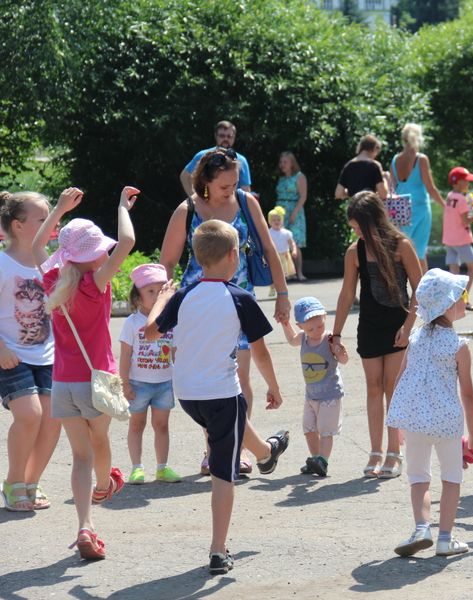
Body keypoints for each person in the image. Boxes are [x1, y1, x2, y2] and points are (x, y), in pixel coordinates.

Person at [145, 219, 287, 574]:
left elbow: (149, 333)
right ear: (234, 256)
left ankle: (266, 453)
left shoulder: (183, 295)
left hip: (187, 395)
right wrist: (274, 386)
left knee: (230, 426)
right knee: (224, 472)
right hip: (221, 393)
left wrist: (161, 300)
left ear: (198, 257)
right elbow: (260, 351)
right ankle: (217, 550)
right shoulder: (240, 298)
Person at [159, 148, 291, 475]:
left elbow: (269, 250)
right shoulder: (187, 210)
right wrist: (161, 302)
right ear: (205, 181)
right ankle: (213, 450)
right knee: (207, 377)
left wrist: (282, 294)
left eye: (234, 184)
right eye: (224, 186)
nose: (231, 190)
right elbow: (167, 263)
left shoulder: (246, 202)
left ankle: (240, 450)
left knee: (239, 376)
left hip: (238, 297)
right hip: (197, 303)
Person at [32, 186, 138, 559]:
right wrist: (121, 205)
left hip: (62, 383)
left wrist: (59, 208)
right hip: (98, 381)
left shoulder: (53, 280)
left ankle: (84, 526)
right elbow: (128, 241)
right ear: (94, 255)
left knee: (80, 456)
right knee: (100, 442)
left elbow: (36, 247)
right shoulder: (97, 283)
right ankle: (105, 485)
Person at [387, 269, 473, 557]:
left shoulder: (415, 338)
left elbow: (400, 379)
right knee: (451, 478)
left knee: (419, 477)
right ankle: (445, 538)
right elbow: (468, 393)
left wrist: (397, 422)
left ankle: (421, 528)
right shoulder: (458, 345)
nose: (465, 299)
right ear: (449, 305)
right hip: (447, 423)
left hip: (415, 421)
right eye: (462, 295)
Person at [331, 192, 422, 479]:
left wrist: (408, 327)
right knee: (373, 387)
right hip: (369, 326)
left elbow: (420, 289)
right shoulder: (354, 252)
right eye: (354, 228)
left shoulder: (401, 245)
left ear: (373, 221)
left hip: (397, 325)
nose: (357, 232)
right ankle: (375, 451)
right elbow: (347, 294)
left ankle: (394, 452)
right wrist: (336, 334)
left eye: (359, 226)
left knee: (392, 388)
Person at [0, 191, 60, 512]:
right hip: (11, 355)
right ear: (18, 225)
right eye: (43, 219)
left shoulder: (49, 263)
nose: (52, 224)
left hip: (49, 356)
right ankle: (13, 482)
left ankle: (31, 481)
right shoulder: (2, 264)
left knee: (52, 420)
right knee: (30, 415)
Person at [120, 263, 181, 485]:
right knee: (137, 425)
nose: (157, 296)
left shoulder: (171, 321)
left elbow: (176, 352)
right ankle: (136, 468)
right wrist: (125, 384)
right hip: (138, 384)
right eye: (150, 291)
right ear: (137, 298)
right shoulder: (132, 323)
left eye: (160, 291)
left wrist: (180, 379)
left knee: (162, 425)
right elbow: (125, 355)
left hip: (164, 383)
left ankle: (162, 468)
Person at [281, 297, 348, 478]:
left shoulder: (329, 338)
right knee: (309, 428)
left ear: (325, 317)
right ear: (300, 326)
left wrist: (340, 351)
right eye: (310, 329)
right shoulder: (303, 338)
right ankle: (315, 459)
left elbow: (344, 360)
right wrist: (285, 324)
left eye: (320, 326)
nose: (316, 331)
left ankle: (323, 461)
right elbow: (292, 340)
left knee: (326, 430)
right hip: (311, 395)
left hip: (330, 394)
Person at [391, 123, 445, 273]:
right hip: (420, 209)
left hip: (401, 210)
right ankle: (423, 285)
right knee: (420, 251)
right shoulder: (421, 159)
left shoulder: (395, 160)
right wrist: (445, 206)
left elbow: (392, 188)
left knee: (401, 248)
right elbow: (431, 188)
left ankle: (399, 282)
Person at [443, 166, 473, 311]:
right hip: (461, 239)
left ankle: (453, 301)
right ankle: (464, 300)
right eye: (466, 181)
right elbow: (465, 221)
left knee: (454, 270)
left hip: (449, 239)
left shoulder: (450, 196)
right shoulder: (461, 199)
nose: (468, 183)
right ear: (458, 182)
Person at [181, 121, 252, 196]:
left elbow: (245, 189)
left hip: (230, 201)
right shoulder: (204, 155)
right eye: (222, 136)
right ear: (216, 136)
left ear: (234, 137)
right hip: (206, 200)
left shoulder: (241, 160)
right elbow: (184, 176)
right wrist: (194, 198)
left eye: (229, 136)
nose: (225, 139)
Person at [274, 151, 308, 281]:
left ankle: (299, 273)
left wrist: (294, 212)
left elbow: (303, 196)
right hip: (280, 211)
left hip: (295, 210)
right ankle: (287, 273)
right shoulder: (281, 178)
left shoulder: (299, 177)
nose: (282, 164)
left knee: (295, 242)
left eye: (285, 162)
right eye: (281, 162)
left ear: (292, 163)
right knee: (281, 242)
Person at [335, 135, 387, 200]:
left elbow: (338, 194)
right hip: (369, 204)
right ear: (374, 148)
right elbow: (383, 195)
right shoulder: (374, 165)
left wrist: (352, 192)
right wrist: (385, 179)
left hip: (354, 205)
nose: (375, 156)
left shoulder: (348, 165)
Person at [268, 206, 297, 297]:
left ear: (282, 220)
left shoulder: (286, 233)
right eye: (274, 220)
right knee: (273, 274)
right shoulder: (269, 232)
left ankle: (281, 290)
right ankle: (272, 286)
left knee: (282, 275)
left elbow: (292, 243)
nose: (276, 222)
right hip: (273, 256)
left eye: (278, 219)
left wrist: (294, 250)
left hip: (284, 256)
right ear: (269, 222)